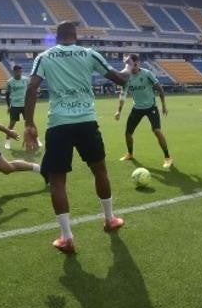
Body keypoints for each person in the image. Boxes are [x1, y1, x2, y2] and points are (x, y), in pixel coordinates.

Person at [23, 21, 132, 254]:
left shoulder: (45, 57)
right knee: (99, 170)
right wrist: (128, 67)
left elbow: (32, 88)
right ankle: (110, 219)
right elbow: (121, 80)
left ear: (57, 36)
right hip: (86, 122)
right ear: (75, 35)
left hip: (59, 124)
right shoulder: (89, 54)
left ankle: (66, 237)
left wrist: (29, 123)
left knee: (57, 181)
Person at [113, 54, 172, 168]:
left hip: (151, 107)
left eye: (133, 65)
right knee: (128, 133)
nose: (131, 67)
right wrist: (118, 111)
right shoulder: (127, 77)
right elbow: (123, 94)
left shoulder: (147, 74)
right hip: (137, 108)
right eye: (129, 65)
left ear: (137, 63)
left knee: (157, 131)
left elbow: (160, 89)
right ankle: (130, 154)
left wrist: (164, 106)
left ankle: (168, 157)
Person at [2, 64, 37, 150]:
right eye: (18, 71)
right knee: (12, 124)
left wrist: (31, 103)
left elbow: (30, 91)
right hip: (15, 106)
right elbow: (7, 95)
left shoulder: (26, 80)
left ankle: (36, 140)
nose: (19, 73)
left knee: (31, 123)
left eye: (20, 71)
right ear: (14, 72)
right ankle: (7, 142)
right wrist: (8, 106)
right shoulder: (10, 82)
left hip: (26, 105)